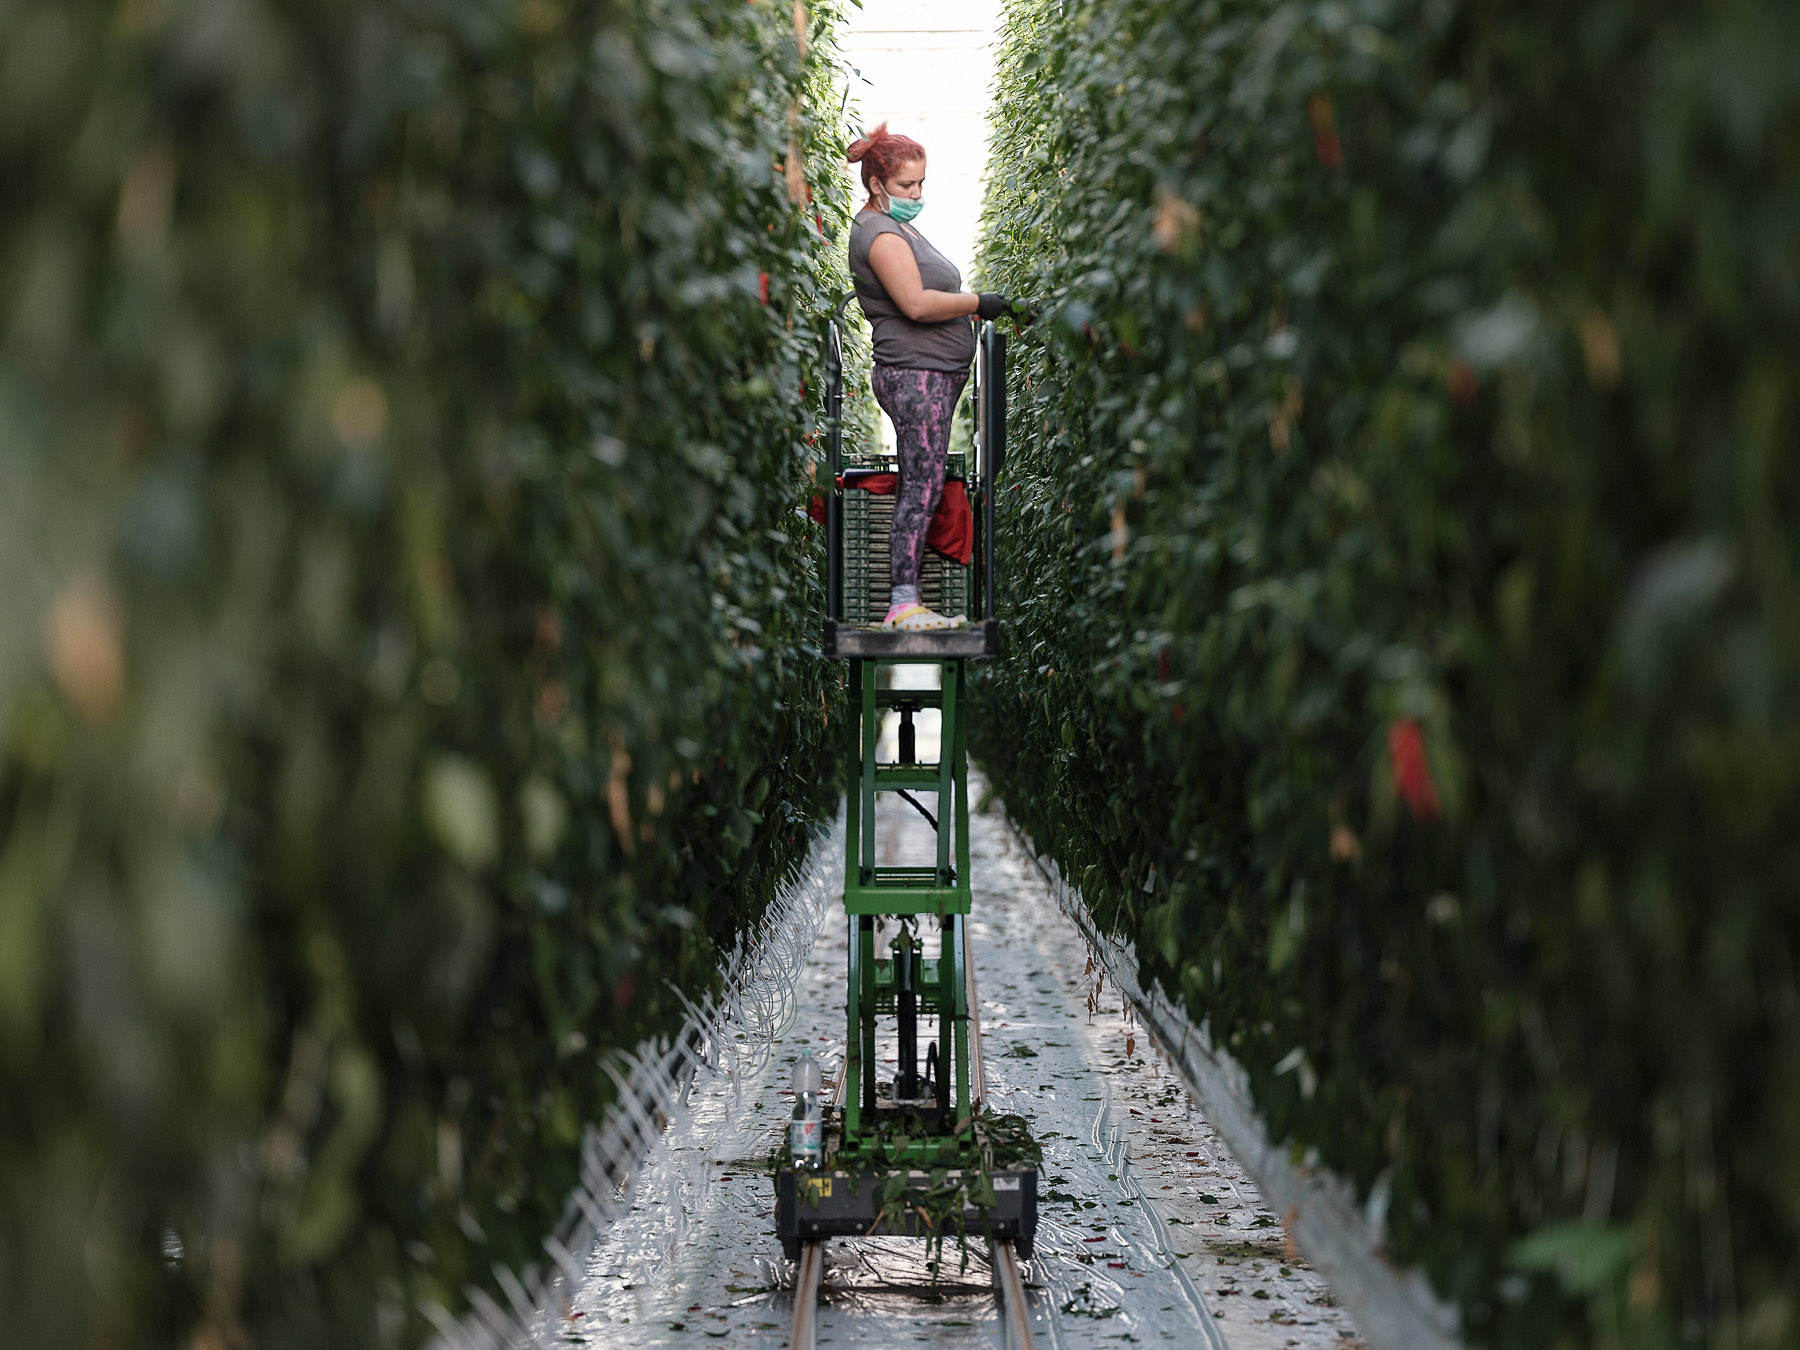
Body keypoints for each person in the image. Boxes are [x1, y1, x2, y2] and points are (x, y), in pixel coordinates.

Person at [846, 124, 1016, 631]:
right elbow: (916, 305)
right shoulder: (878, 233)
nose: (916, 195)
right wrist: (979, 303)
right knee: (921, 486)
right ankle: (902, 602)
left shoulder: (895, 227)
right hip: (915, 376)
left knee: (924, 484)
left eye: (921, 184)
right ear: (877, 184)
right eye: (905, 186)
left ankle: (908, 599)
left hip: (931, 375)